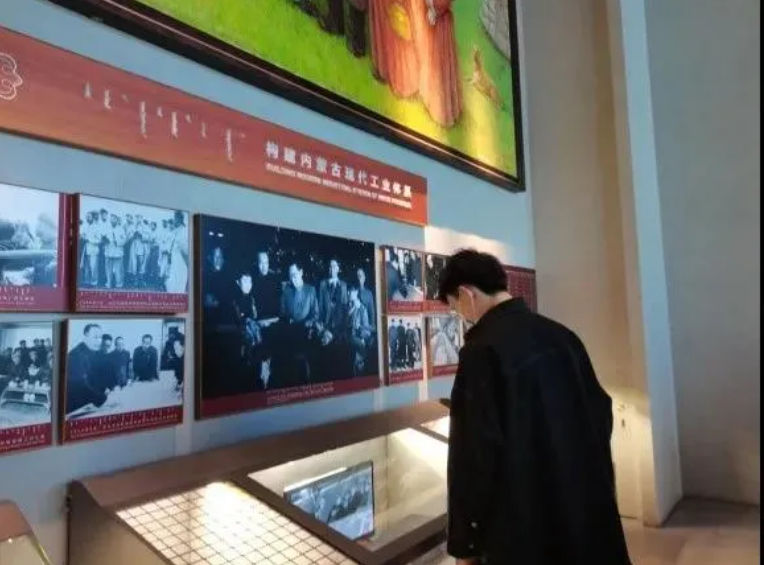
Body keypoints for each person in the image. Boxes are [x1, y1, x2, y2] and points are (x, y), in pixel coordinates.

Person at [437, 249, 631, 565]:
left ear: (466, 294)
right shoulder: (562, 336)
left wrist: (465, 545)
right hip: (585, 510)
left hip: (525, 526)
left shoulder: (480, 350)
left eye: (455, 307)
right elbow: (600, 413)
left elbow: (473, 454)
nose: (461, 316)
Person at [66, 324, 109, 414]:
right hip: (76, 408)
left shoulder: (95, 353)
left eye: (100, 337)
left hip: (90, 405)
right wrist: (103, 399)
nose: (99, 341)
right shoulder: (75, 355)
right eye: (95, 337)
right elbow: (82, 385)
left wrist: (107, 388)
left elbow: (98, 377)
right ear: (85, 337)